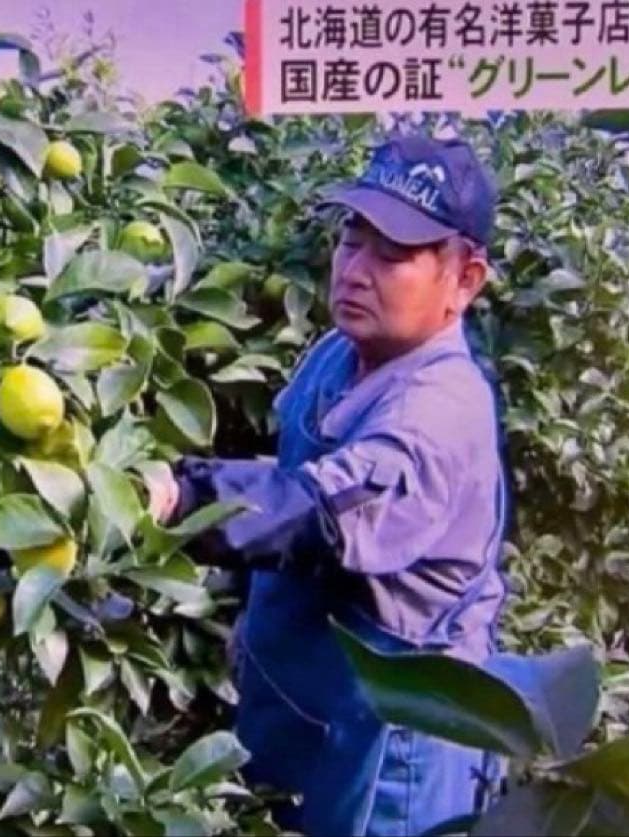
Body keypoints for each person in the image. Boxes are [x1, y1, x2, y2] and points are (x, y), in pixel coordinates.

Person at [151, 132, 510, 837]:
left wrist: (178, 494)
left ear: (464, 279)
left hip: (385, 749)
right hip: (295, 708)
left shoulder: (440, 411)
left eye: (393, 254)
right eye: (352, 240)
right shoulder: (344, 352)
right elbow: (290, 476)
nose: (355, 269)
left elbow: (318, 509)